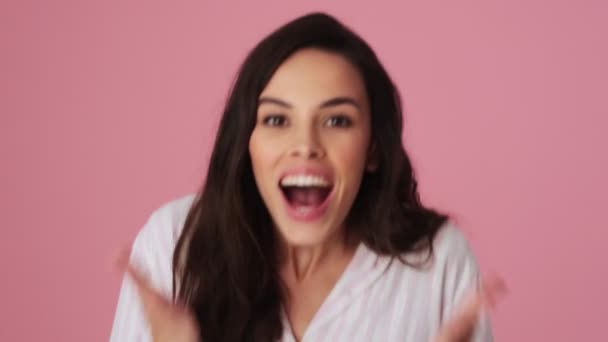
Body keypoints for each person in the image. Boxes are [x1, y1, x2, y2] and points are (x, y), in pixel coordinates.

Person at [110, 12, 505, 342]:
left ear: (373, 150)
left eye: (337, 120)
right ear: (247, 144)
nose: (306, 145)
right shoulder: (174, 243)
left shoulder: (438, 261)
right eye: (277, 119)